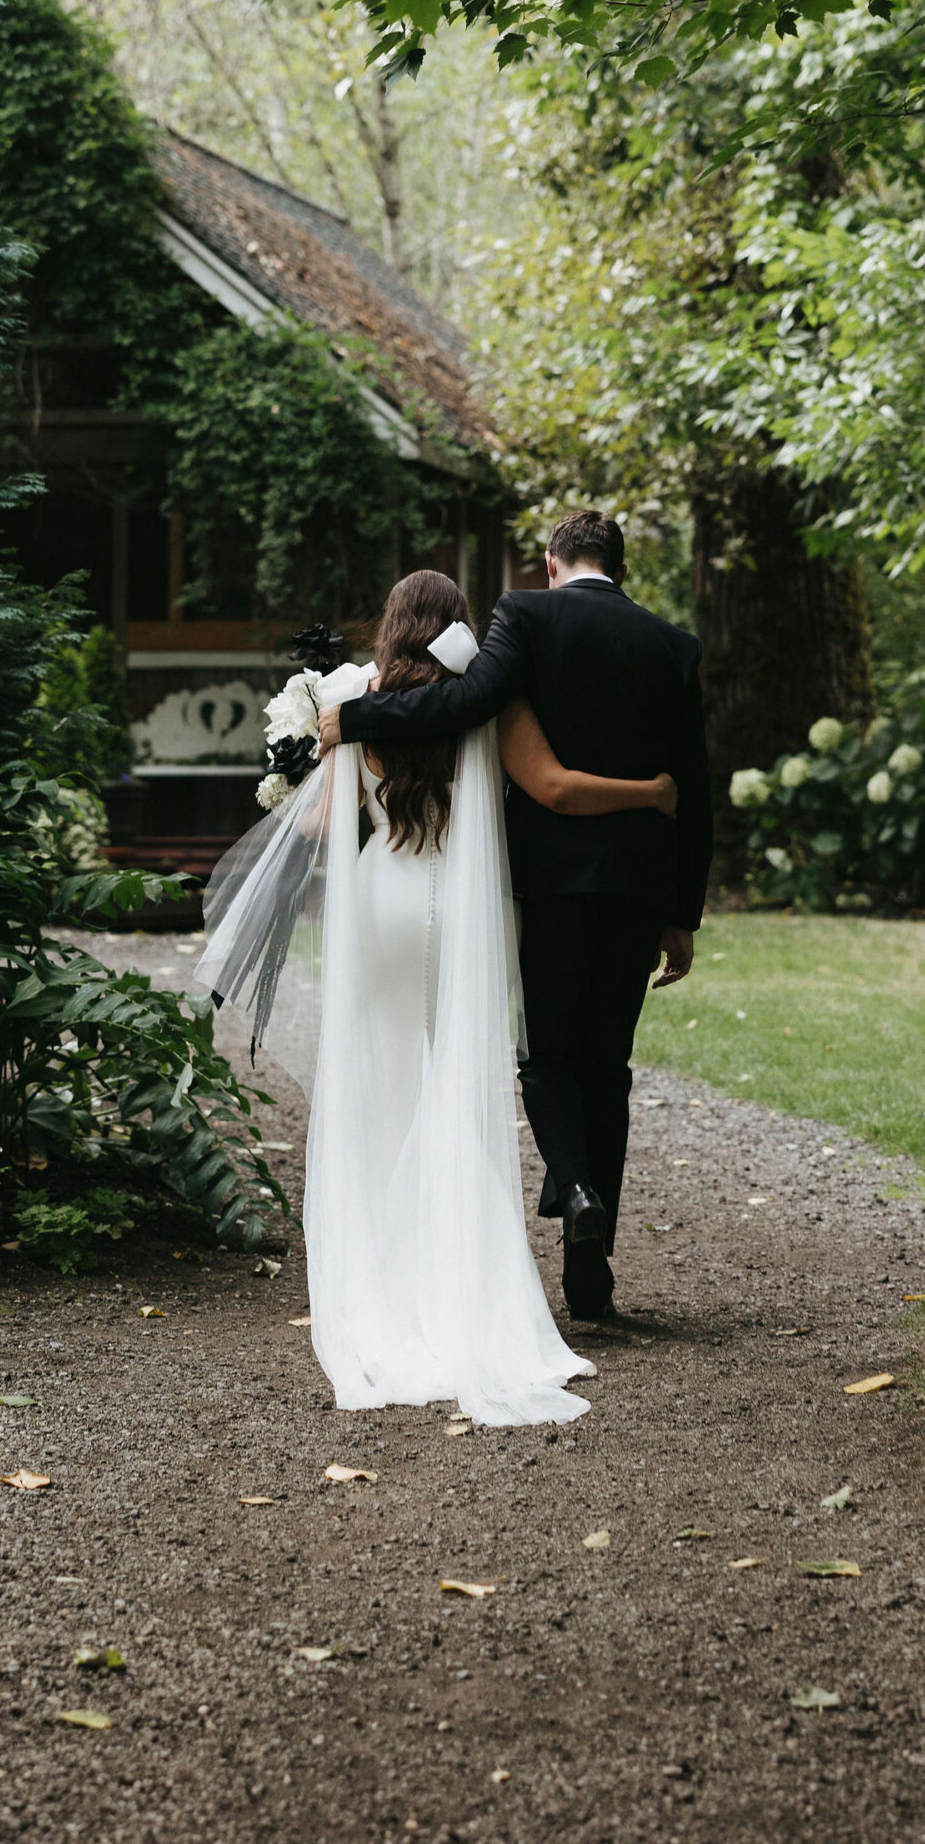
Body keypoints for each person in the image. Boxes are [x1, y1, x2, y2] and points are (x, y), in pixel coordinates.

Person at [197, 565, 682, 1428]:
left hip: (383, 899)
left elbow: (314, 826)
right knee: (455, 1081)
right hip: (467, 913)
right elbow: (543, 786)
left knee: (387, 1083)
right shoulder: (488, 701)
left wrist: (295, 771)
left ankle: (387, 1274)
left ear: (390, 624)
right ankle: (464, 1277)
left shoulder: (352, 696)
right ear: (460, 626)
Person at [319, 511, 711, 1322]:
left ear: (551, 561)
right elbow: (695, 790)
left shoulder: (525, 614)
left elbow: (464, 702)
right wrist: (683, 913)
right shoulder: (674, 645)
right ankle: (591, 1273)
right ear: (619, 563)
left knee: (546, 1059)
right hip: (640, 886)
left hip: (555, 882)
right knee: (608, 1065)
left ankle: (571, 1187)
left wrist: (352, 718)